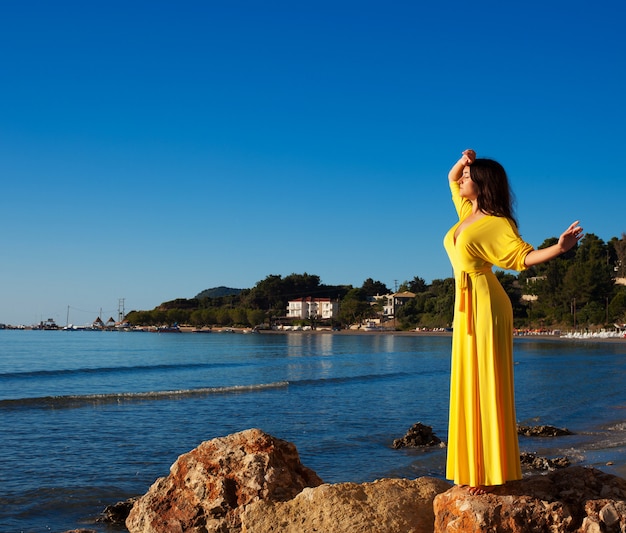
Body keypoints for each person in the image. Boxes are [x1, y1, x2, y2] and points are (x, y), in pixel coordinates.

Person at [443, 149, 583, 495]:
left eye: (468, 176)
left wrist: (559, 248)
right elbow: (449, 177)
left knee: (487, 382)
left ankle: (491, 473)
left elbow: (523, 257)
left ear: (482, 183)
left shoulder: (497, 223)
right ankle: (470, 466)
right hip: (464, 307)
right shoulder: (466, 213)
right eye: (464, 175)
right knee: (466, 383)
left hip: (487, 304)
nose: (462, 179)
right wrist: (465, 159)